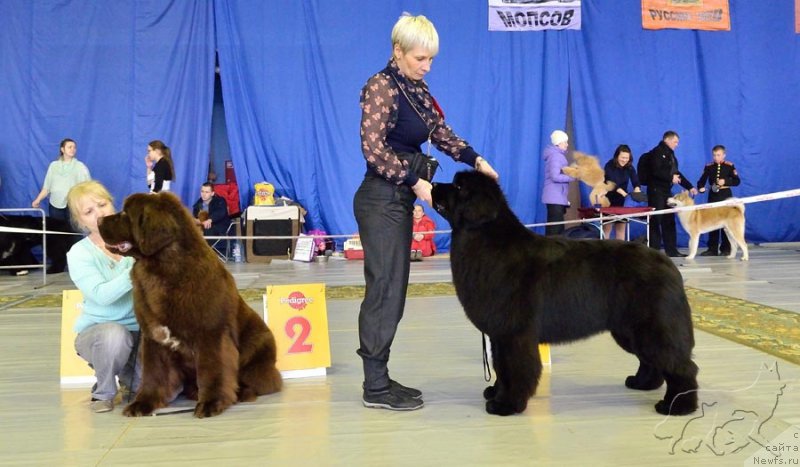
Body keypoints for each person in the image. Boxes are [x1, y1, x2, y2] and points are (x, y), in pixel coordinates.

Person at [354, 13, 498, 411]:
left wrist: (475, 158)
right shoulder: (381, 86)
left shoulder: (415, 88)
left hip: (398, 197)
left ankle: (380, 378)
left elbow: (439, 132)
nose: (427, 66)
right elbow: (373, 149)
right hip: (381, 198)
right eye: (420, 58)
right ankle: (375, 387)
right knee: (385, 291)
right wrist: (415, 182)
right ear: (397, 51)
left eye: (431, 59)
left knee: (394, 292)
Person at [65, 181, 140, 413]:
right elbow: (102, 296)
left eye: (102, 204)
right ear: (80, 221)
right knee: (114, 336)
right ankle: (104, 391)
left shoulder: (137, 239)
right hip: (100, 333)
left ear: (112, 204)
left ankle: (130, 376)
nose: (99, 213)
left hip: (142, 330)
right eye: (89, 211)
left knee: (162, 390)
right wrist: (139, 267)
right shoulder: (79, 253)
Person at [639, 131, 697, 257]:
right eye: (675, 142)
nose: (677, 145)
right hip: (656, 191)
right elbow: (655, 171)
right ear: (667, 140)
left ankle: (672, 251)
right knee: (656, 220)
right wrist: (670, 178)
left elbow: (676, 173)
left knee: (669, 221)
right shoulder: (657, 152)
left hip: (666, 191)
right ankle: (654, 252)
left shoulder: (670, 155)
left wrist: (690, 186)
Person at [32, 138, 91, 226]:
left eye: (74, 147)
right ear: (62, 149)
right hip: (55, 204)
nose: (72, 149)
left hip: (72, 205)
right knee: (56, 229)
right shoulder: (53, 166)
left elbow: (88, 187)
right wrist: (38, 200)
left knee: (72, 230)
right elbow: (46, 187)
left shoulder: (80, 167)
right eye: (69, 147)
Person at [696, 145, 741, 256]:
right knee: (712, 222)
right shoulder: (709, 167)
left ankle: (726, 248)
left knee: (726, 223)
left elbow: (737, 181)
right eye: (714, 155)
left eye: (718, 155)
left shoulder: (729, 166)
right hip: (713, 197)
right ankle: (712, 249)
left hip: (725, 196)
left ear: (724, 155)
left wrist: (725, 181)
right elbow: (701, 181)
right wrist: (700, 188)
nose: (716, 157)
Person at [602, 144, 643, 240]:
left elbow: (636, 180)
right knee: (607, 228)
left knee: (620, 228)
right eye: (622, 157)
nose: (624, 160)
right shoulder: (609, 165)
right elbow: (610, 182)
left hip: (622, 201)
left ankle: (621, 248)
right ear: (617, 156)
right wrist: (623, 193)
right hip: (609, 200)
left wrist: (637, 189)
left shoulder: (629, 167)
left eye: (627, 158)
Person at [542, 129, 574, 236]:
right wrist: (572, 177)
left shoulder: (556, 155)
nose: (567, 144)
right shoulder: (556, 156)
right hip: (555, 197)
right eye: (565, 142)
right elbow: (555, 176)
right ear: (559, 143)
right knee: (555, 230)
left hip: (556, 197)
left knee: (556, 229)